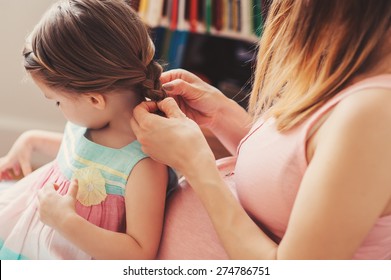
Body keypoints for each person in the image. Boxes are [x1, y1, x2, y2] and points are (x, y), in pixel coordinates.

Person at [130, 0, 391, 259]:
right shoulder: (350, 77)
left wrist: (196, 166)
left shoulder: (375, 113)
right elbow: (293, 177)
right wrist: (222, 115)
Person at [0, 0, 173, 260]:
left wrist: (67, 222)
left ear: (94, 99)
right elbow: (83, 157)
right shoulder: (93, 119)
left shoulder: (145, 164)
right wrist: (30, 140)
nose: (58, 107)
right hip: (30, 228)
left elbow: (140, 253)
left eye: (57, 101)